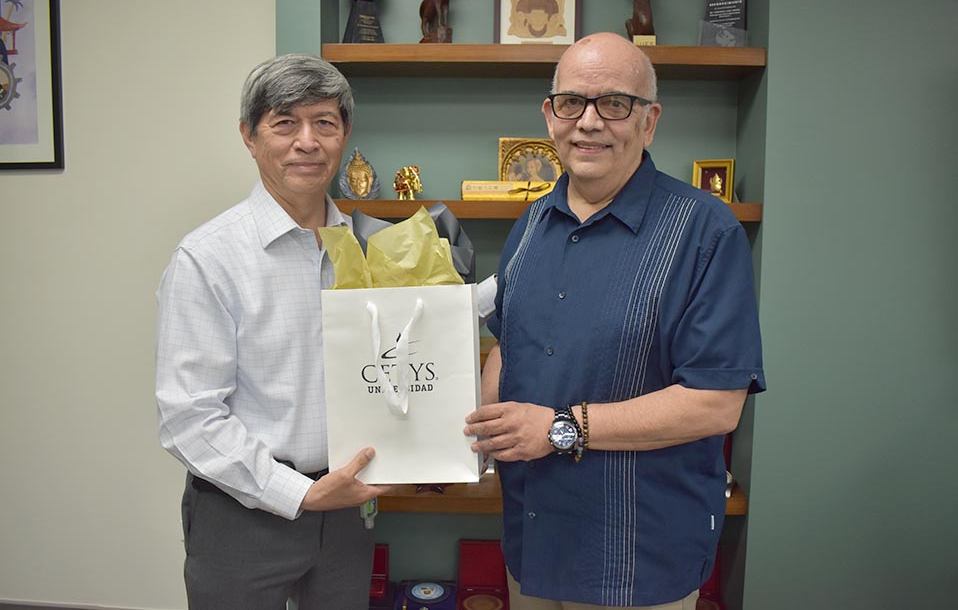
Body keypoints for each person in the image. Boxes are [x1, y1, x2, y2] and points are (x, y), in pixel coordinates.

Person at [464, 32, 765, 609]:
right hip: (532, 542)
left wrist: (558, 428)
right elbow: (509, 343)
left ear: (649, 121)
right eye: (572, 102)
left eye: (615, 104)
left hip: (635, 557)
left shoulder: (706, 231)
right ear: (549, 116)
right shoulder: (529, 226)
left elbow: (716, 403)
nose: (590, 122)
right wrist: (480, 429)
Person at [155, 54, 394, 609]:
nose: (307, 142)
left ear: (345, 133)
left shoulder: (374, 246)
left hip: (347, 512)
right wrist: (303, 493)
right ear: (249, 135)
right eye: (285, 122)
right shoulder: (208, 258)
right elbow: (189, 417)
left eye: (324, 123)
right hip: (242, 514)